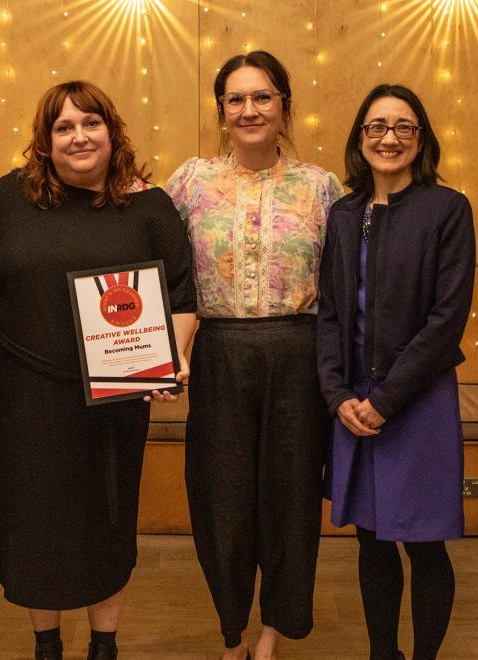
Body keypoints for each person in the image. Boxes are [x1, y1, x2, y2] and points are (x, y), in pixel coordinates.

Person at [0, 80, 197, 660]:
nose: (79, 136)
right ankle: (45, 643)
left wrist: (171, 359)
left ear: (110, 130)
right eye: (63, 127)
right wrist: (28, 321)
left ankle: (104, 644)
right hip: (23, 389)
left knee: (106, 515)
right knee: (31, 518)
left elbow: (180, 295)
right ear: (45, 142)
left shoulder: (149, 205)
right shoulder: (7, 198)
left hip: (115, 395)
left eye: (90, 122)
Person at [165, 51, 344, 659]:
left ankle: (275, 629)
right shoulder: (188, 182)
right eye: (236, 99)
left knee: (292, 499)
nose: (249, 110)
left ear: (284, 105)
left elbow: (345, 289)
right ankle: (232, 629)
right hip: (218, 354)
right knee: (221, 497)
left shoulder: (321, 187)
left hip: (299, 354)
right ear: (221, 111)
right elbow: (162, 273)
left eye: (263, 97)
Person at [317, 84, 474, 660]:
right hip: (352, 403)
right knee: (370, 540)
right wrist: (337, 395)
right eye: (376, 126)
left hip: (416, 401)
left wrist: (384, 400)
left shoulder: (448, 209)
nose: (389, 137)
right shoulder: (342, 213)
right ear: (360, 138)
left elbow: (446, 319)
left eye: (404, 126)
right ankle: (383, 654)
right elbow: (330, 314)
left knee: (424, 544)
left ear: (421, 138)